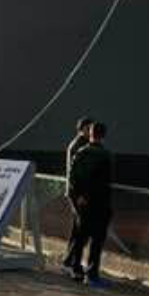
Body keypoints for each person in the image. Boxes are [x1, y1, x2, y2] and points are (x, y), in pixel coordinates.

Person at [66, 121, 114, 287]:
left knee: (80, 237)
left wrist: (79, 196)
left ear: (90, 133)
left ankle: (75, 269)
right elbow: (105, 181)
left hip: (82, 203)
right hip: (99, 203)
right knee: (96, 241)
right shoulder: (105, 155)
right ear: (104, 135)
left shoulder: (80, 152)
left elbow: (73, 177)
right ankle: (91, 274)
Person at [62, 117, 93, 277]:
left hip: (74, 192)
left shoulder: (76, 143)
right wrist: (80, 195)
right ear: (83, 129)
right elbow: (75, 174)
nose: (91, 132)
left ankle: (68, 261)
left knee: (77, 229)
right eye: (89, 129)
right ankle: (72, 264)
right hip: (78, 194)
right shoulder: (79, 145)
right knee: (82, 229)